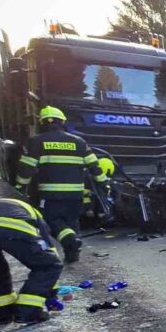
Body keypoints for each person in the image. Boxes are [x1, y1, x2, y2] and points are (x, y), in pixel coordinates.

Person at [14, 105, 103, 263]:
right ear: (62, 122)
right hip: (76, 195)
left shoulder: (36, 142)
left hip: (50, 195)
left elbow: (26, 169)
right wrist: (104, 184)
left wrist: (20, 187)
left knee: (51, 221)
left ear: (42, 123)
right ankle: (72, 255)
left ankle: (71, 241)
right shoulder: (79, 142)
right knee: (71, 221)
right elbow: (95, 167)